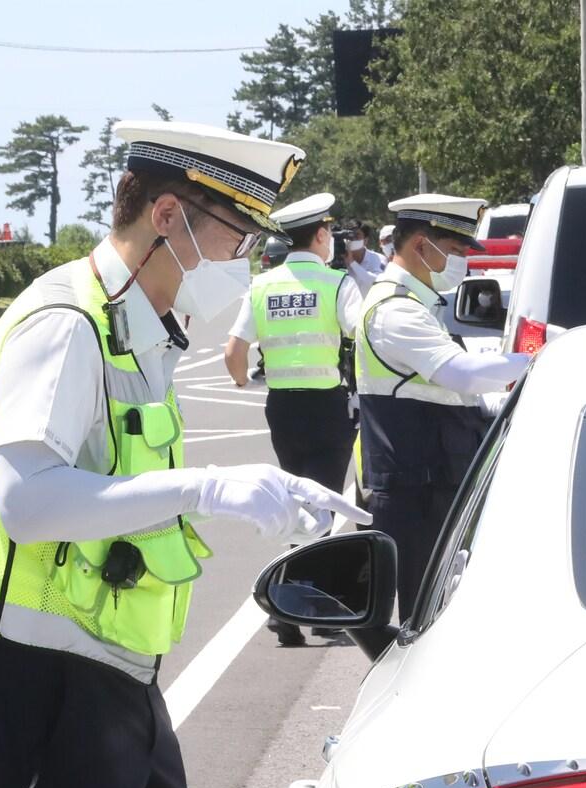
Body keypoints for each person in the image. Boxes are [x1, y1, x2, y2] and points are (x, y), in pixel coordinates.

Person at [0, 119, 370, 788]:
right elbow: (26, 502)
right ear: (168, 216)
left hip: (116, 685)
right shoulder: (67, 323)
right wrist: (208, 486)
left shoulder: (139, 330)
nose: (243, 258)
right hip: (41, 687)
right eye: (234, 233)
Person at [355, 194, 533, 612]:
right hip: (415, 491)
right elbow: (462, 375)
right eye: (454, 251)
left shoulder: (416, 304)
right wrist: (540, 358)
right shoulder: (395, 310)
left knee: (438, 607)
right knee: (422, 615)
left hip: (429, 483)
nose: (461, 263)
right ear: (420, 245)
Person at [224, 192, 363, 645]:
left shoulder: (262, 285)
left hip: (282, 408)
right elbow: (362, 331)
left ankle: (287, 610)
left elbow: (234, 352)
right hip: (326, 406)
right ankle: (310, 609)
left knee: (298, 500)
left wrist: (244, 381)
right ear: (321, 235)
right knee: (321, 506)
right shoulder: (336, 284)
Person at [344, 219, 387, 294]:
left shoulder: (378, 259)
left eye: (356, 236)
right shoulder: (339, 260)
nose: (352, 239)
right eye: (349, 236)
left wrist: (353, 264)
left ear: (365, 240)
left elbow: (377, 282)